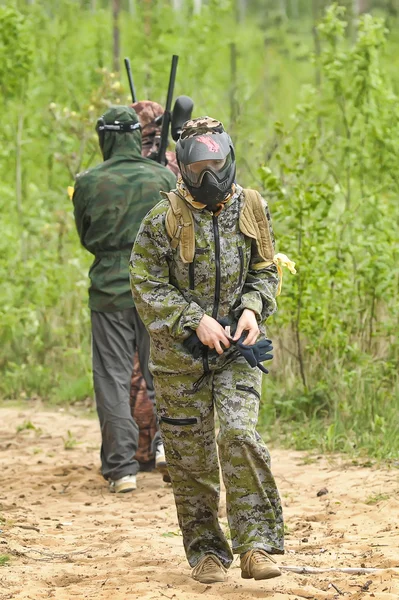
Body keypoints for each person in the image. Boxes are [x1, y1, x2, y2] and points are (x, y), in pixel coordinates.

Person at [129, 116, 286, 582]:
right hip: (181, 360)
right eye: (200, 166)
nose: (210, 175)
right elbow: (145, 283)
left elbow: (266, 269)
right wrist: (193, 320)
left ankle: (256, 545)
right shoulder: (162, 219)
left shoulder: (251, 207)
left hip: (238, 351)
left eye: (217, 163)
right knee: (189, 459)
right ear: (184, 168)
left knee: (239, 435)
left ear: (230, 159)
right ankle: (207, 553)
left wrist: (253, 309)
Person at [72, 105, 176, 493]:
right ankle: (170, 447)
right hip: (157, 289)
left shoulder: (88, 182)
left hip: (109, 290)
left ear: (105, 139)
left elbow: (86, 236)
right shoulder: (163, 176)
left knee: (113, 377)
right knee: (163, 372)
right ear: (135, 135)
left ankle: (121, 469)